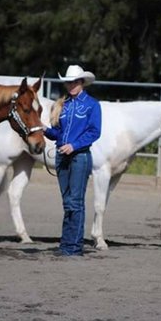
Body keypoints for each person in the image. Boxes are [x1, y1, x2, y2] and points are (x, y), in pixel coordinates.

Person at [43, 65, 102, 256]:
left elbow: (94, 131)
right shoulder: (64, 105)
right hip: (63, 156)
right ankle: (67, 244)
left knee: (75, 201)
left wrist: (74, 145)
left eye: (75, 82)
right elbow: (58, 133)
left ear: (82, 82)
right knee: (67, 201)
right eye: (68, 82)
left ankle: (73, 246)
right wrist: (44, 130)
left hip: (80, 157)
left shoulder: (92, 105)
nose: (71, 85)